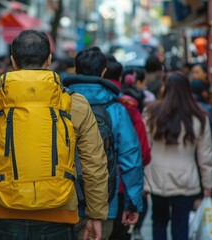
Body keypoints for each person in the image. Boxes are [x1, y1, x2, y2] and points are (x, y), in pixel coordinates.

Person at [0, 30, 109, 240]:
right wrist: (96, 214)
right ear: (49, 59)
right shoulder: (76, 103)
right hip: (59, 213)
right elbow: (95, 165)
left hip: (5, 213)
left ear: (13, 60)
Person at [63, 47, 143, 240]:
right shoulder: (116, 109)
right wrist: (132, 203)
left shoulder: (59, 102)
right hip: (104, 205)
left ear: (75, 69)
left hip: (62, 200)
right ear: (104, 71)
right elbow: (131, 158)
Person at [143, 72, 212, 240]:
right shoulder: (199, 116)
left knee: (159, 221)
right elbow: (206, 155)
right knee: (181, 223)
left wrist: (143, 180)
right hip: (186, 178)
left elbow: (144, 148)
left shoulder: (151, 112)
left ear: (165, 89)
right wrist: (208, 184)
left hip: (157, 177)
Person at [103, 56, 151, 240]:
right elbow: (143, 154)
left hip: (80, 191)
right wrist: (134, 202)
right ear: (120, 78)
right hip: (120, 189)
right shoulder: (127, 107)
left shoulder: (72, 103)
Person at [190, 63, 212, 137]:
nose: (194, 75)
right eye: (193, 72)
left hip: (210, 127)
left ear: (205, 74)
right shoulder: (189, 89)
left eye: (197, 72)